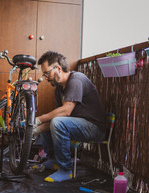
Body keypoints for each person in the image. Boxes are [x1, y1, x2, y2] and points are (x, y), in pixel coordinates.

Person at [33, 51, 106, 182]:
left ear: (58, 68)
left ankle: (65, 170)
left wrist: (39, 119)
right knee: (50, 122)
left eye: (46, 73)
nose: (45, 77)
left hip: (94, 128)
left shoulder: (76, 79)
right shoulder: (59, 89)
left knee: (56, 122)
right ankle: (54, 160)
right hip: (78, 124)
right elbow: (59, 114)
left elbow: (66, 111)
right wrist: (37, 128)